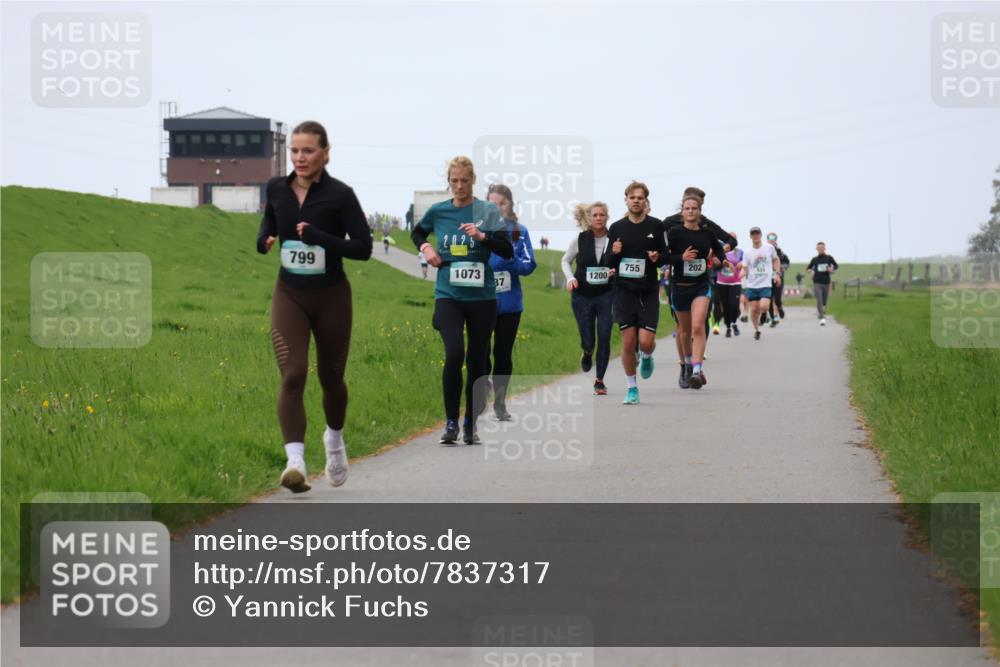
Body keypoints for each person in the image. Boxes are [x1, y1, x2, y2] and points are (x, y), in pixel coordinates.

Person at [256, 120, 373, 493]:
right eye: (294, 150)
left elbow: (364, 248)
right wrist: (264, 240)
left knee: (331, 379)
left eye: (308, 150)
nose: (300, 157)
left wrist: (321, 237)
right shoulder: (277, 188)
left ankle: (334, 442)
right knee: (293, 374)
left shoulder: (340, 195)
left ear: (325, 153)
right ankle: (295, 463)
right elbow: (268, 223)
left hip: (332, 296)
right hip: (289, 293)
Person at [411, 156, 513, 445]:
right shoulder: (439, 211)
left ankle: (471, 423)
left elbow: (506, 249)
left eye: (464, 181)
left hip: (482, 298)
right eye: (454, 180)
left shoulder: (487, 210)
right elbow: (417, 231)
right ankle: (451, 423)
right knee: (454, 353)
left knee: (478, 361)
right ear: (449, 181)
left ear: (473, 181)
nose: (459, 186)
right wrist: (427, 246)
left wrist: (482, 237)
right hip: (449, 296)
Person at [664, 191, 736, 389]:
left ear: (699, 211)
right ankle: (687, 364)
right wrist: (681, 258)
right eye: (687, 208)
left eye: (694, 208)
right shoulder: (673, 233)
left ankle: (696, 370)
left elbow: (719, 248)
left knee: (698, 326)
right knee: (685, 331)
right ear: (682, 211)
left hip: (701, 286)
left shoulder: (707, 232)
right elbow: (662, 257)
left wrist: (722, 259)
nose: (690, 211)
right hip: (679, 287)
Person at [608, 181, 667, 404]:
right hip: (623, 291)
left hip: (648, 291)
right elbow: (608, 261)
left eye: (640, 198)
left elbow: (666, 256)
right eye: (632, 197)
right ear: (626, 200)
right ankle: (632, 388)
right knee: (627, 341)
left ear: (645, 201)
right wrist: (614, 253)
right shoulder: (616, 228)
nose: (636, 201)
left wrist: (657, 259)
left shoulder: (656, 226)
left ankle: (648, 354)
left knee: (644, 342)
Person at [485, 183, 537, 420]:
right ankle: (481, 387)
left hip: (510, 305)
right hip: (481, 303)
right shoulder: (476, 230)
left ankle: (500, 403)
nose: (497, 208)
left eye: (501, 203)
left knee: (503, 353)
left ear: (509, 205)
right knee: (481, 352)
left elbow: (529, 264)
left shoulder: (519, 231)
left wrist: (510, 262)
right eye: (492, 204)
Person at [562, 202, 615, 395]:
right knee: (589, 338)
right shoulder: (580, 239)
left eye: (602, 215)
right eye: (595, 215)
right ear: (589, 218)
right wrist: (570, 278)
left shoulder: (614, 240)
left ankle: (599, 380)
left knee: (605, 334)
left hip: (606, 294)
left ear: (607, 217)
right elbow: (565, 260)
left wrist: (614, 270)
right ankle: (587, 351)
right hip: (582, 295)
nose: (599, 218)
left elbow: (621, 261)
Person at [741, 227, 782, 340]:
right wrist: (742, 273)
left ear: (761, 235)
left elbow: (776, 259)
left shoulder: (769, 248)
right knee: (754, 309)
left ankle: (764, 314)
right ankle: (757, 329)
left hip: (765, 284)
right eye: (753, 234)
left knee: (763, 306)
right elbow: (744, 267)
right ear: (750, 236)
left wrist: (777, 274)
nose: (755, 236)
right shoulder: (747, 252)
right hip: (752, 285)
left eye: (757, 233)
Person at [715, 236, 744, 337]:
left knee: (734, 304)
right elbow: (715, 266)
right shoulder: (720, 251)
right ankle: (728, 327)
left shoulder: (740, 252)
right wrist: (721, 263)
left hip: (735, 283)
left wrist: (742, 263)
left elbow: (746, 262)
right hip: (722, 282)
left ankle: (734, 323)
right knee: (726, 306)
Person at [807, 241, 839, 325]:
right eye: (819, 248)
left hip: (826, 282)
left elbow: (836, 265)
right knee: (819, 300)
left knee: (824, 301)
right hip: (817, 282)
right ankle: (822, 317)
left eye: (822, 248)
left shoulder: (829, 258)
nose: (820, 249)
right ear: (817, 249)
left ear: (824, 248)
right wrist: (811, 271)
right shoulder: (814, 259)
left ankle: (823, 310)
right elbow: (808, 268)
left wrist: (831, 269)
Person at [766, 232, 790, 327]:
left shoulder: (780, 252)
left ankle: (780, 308)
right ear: (767, 240)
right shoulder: (764, 250)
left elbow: (786, 263)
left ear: (776, 240)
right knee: (769, 300)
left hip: (778, 278)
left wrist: (781, 268)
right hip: (767, 279)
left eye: (773, 238)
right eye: (770, 238)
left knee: (777, 300)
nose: (772, 239)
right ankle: (773, 318)